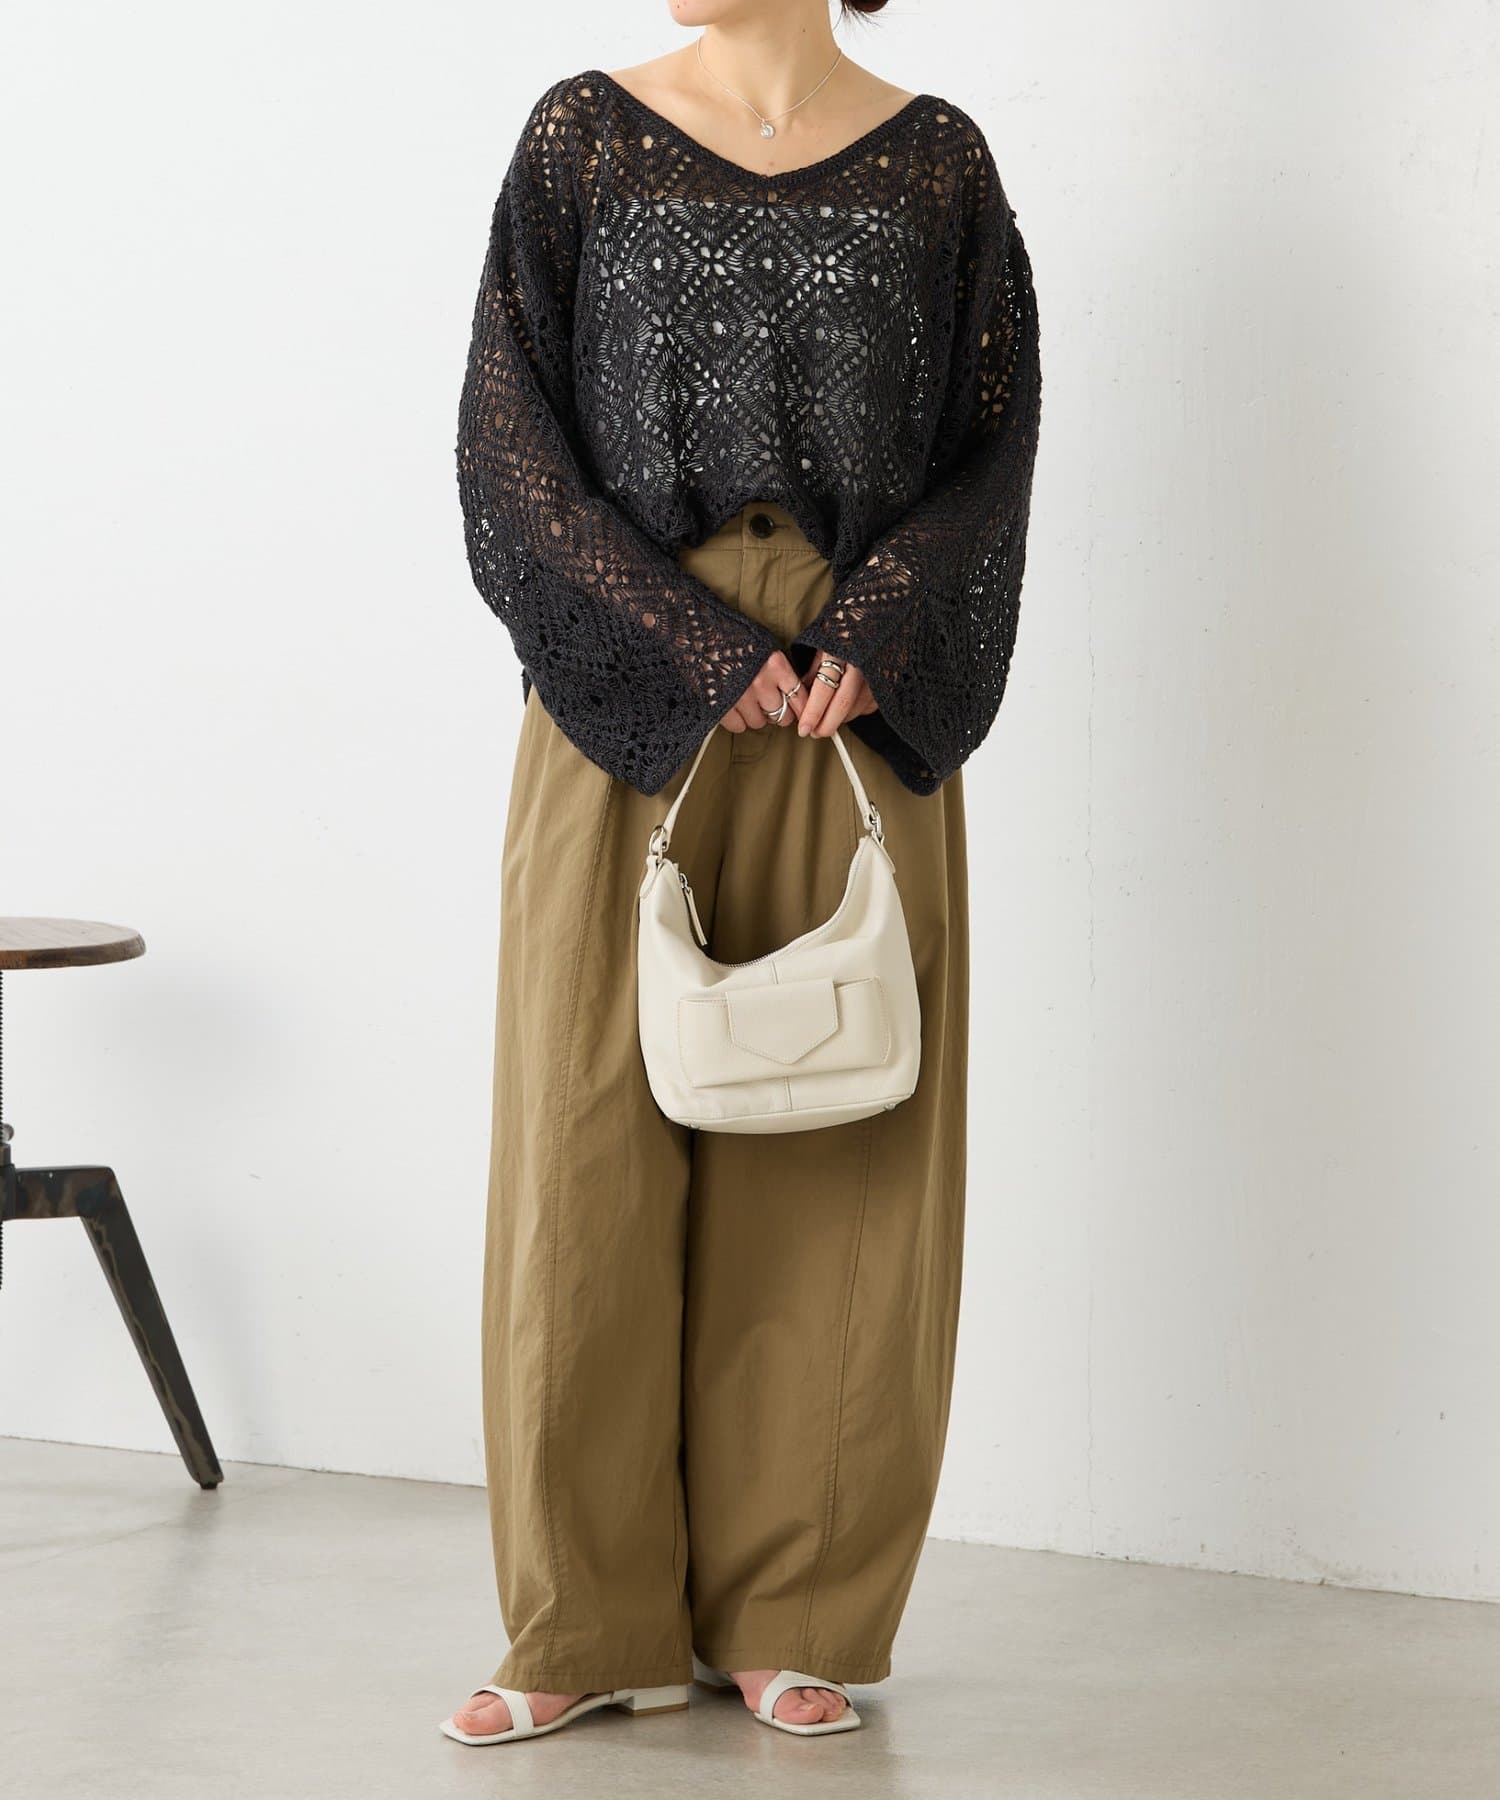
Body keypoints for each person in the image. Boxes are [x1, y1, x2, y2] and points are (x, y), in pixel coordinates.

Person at [442, 0, 1042, 1748]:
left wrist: (883, 626)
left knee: (842, 1145)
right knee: (582, 1147)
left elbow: (990, 451)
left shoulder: (937, 165)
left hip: (855, 698)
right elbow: (508, 440)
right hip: (625, 687)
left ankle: (796, 1612)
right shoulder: (583, 137)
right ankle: (577, 1621)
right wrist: (691, 644)